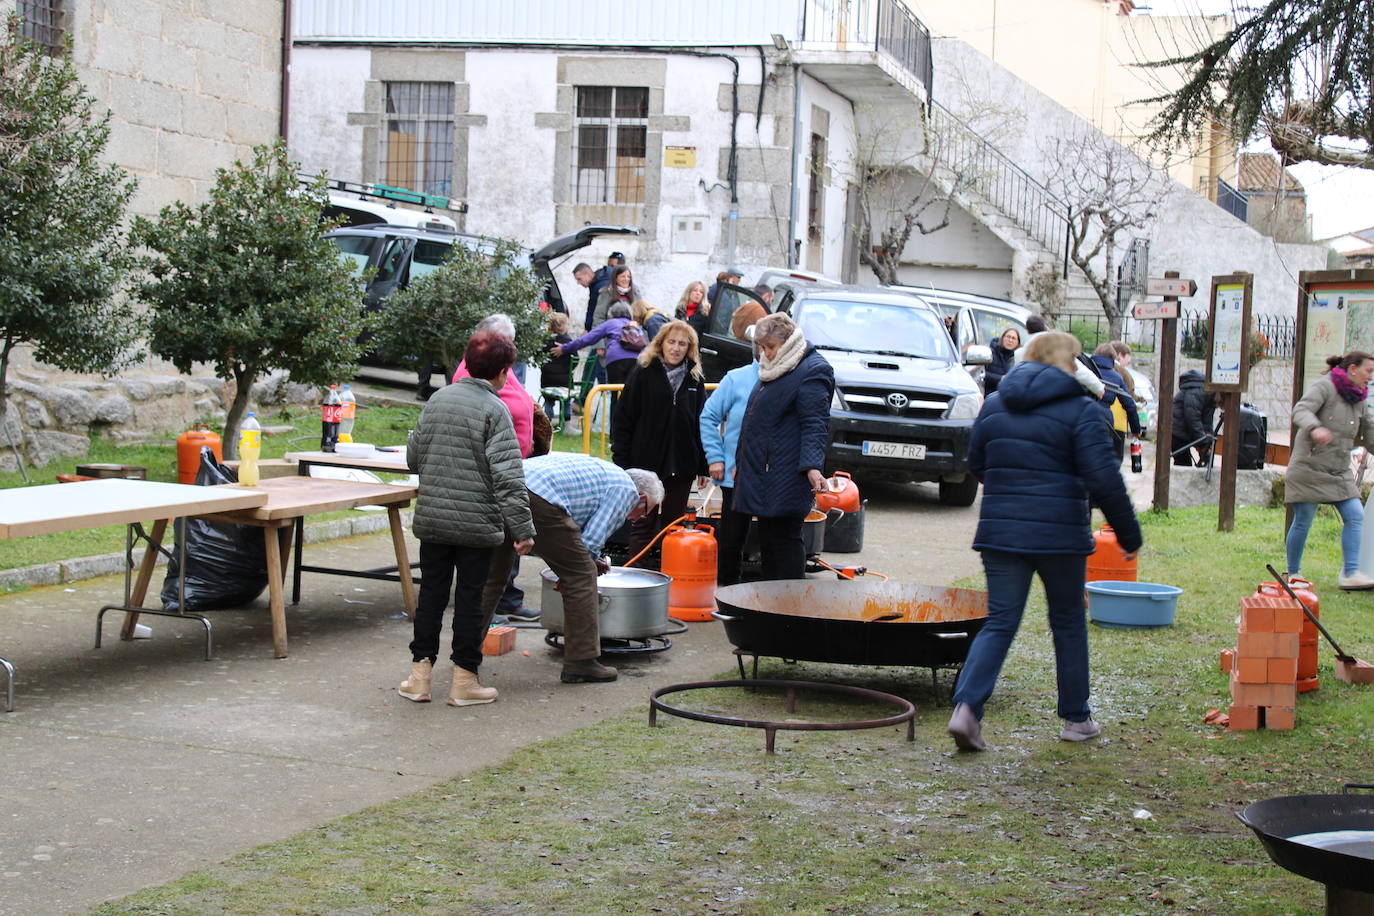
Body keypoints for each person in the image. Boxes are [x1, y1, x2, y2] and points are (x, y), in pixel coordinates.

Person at [948, 331, 1141, 752]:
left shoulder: (995, 404)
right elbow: (1104, 479)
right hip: (1061, 537)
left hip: (1001, 535)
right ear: (1069, 363)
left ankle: (966, 709)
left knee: (1000, 622)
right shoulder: (1082, 411)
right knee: (1068, 622)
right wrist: (1129, 535)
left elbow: (976, 462)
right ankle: (1076, 718)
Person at [399, 331, 535, 707]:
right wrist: (522, 531)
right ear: (503, 372)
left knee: (431, 597)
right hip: (477, 525)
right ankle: (464, 682)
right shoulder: (496, 411)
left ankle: (419, 678)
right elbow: (508, 477)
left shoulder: (437, 400)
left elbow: (413, 458)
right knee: (471, 601)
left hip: (434, 520)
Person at [480, 455, 664, 683]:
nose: (639, 519)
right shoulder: (626, 491)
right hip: (538, 496)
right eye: (645, 511)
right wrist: (579, 568)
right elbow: (591, 541)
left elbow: (570, 541)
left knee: (494, 577)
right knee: (582, 577)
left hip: (502, 487)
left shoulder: (605, 474)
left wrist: (580, 561)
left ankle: (466, 654)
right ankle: (581, 662)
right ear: (642, 497)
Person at [731, 312, 835, 579]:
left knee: (785, 539)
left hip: (787, 473)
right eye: (763, 347)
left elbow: (815, 423)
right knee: (769, 539)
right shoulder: (777, 366)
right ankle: (772, 604)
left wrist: (812, 467)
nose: (765, 353)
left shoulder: (812, 370)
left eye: (771, 347)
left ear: (788, 342)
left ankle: (790, 604)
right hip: (766, 471)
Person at [452, 314, 539, 622]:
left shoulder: (503, 368)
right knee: (496, 542)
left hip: (512, 462)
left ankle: (506, 598)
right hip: (490, 469)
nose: (509, 348)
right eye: (504, 342)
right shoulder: (473, 372)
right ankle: (488, 605)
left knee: (506, 538)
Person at [611, 320, 710, 558]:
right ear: (661, 344)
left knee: (673, 527)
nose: (676, 348)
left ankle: (670, 583)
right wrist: (622, 462)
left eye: (682, 344)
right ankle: (636, 580)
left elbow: (701, 424)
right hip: (645, 463)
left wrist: (703, 466)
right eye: (671, 342)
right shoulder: (643, 373)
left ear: (689, 348)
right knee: (642, 525)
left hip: (682, 464)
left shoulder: (695, 379)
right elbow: (624, 419)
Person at [1284, 351, 1374, 590]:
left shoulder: (1360, 400)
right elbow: (1300, 410)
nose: (1371, 377)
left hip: (1338, 471)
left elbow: (1369, 434)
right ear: (1353, 369)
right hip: (1308, 467)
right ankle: (1293, 574)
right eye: (1369, 371)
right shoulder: (1324, 387)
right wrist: (1315, 428)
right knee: (1302, 520)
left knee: (1355, 515)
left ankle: (1350, 574)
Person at [700, 333, 762, 586]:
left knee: (772, 538)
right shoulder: (736, 378)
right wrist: (715, 458)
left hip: (771, 474)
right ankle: (727, 589)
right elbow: (708, 417)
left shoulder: (789, 378)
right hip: (735, 476)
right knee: (732, 537)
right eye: (761, 344)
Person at [1015, 314, 1105, 399]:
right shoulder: (1056, 348)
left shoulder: (1019, 353)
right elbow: (1079, 371)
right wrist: (1098, 387)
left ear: (1028, 330)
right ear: (1045, 327)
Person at [554, 302, 642, 384]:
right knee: (631, 392)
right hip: (636, 360)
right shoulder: (635, 325)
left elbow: (586, 339)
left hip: (615, 360)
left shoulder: (610, 323)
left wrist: (564, 348)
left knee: (615, 391)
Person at [1090, 343, 1142, 464]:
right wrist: (1135, 429)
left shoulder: (1085, 370)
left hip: (1083, 416)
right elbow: (1129, 404)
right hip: (1106, 421)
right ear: (1113, 359)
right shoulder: (1117, 377)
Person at [1170, 369, 1216, 467]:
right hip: (1177, 432)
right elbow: (1192, 420)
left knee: (1187, 463)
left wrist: (1207, 444)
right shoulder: (1198, 392)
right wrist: (1203, 443)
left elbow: (1207, 423)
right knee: (1183, 465)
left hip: (1183, 431)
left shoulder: (1210, 396)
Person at [541, 312, 574, 423]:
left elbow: (538, 357)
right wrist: (570, 369)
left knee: (549, 401)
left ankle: (548, 421)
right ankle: (566, 421)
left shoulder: (545, 340)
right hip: (564, 379)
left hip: (547, 378)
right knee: (566, 401)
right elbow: (576, 359)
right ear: (564, 326)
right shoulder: (568, 342)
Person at [584, 253, 624, 331]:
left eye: (612, 266)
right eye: (608, 266)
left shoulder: (630, 289)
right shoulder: (602, 283)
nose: (610, 269)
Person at [983, 327, 1020, 394]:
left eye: (1013, 338)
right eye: (1008, 337)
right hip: (989, 394)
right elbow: (982, 374)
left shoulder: (1018, 359)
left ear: (1018, 343)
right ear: (1002, 338)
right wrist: (1000, 378)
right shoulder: (991, 353)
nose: (1010, 340)